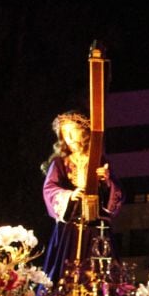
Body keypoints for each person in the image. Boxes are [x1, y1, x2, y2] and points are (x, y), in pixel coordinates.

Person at [41, 110, 123, 285]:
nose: (69, 138)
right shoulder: (60, 163)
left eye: (73, 132)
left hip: (96, 227)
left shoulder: (98, 160)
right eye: (65, 134)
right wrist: (70, 195)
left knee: (98, 269)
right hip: (70, 228)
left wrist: (107, 180)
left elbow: (117, 193)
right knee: (67, 270)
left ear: (84, 133)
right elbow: (49, 189)